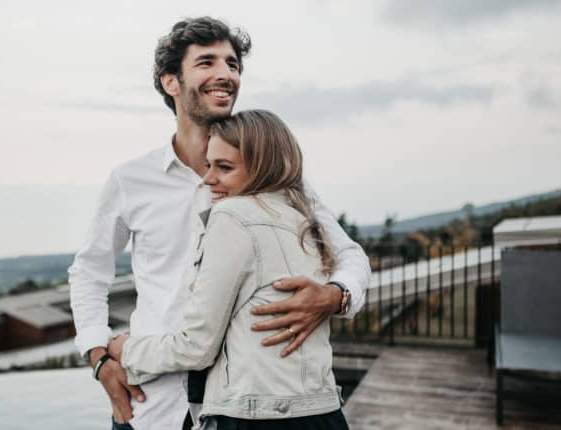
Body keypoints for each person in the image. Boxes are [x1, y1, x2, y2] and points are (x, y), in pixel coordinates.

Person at [68, 17, 370, 430]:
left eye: (232, 64)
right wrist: (99, 358)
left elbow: (349, 254)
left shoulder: (277, 179)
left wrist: (336, 296)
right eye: (207, 62)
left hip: (244, 410)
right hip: (152, 403)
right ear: (171, 82)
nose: (226, 74)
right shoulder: (130, 180)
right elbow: (89, 272)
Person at [108, 109, 350, 429]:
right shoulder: (304, 220)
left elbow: (197, 347)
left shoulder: (232, 216)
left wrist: (125, 350)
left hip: (256, 418)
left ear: (263, 166)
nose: (208, 179)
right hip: (323, 412)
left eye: (224, 167)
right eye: (209, 165)